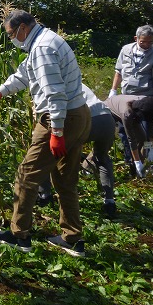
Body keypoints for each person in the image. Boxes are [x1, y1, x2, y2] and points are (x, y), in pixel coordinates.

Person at [0, 9, 91, 258]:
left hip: (60, 118)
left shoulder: (42, 48)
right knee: (65, 180)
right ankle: (72, 238)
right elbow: (23, 75)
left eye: (11, 34)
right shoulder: (45, 41)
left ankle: (19, 235)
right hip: (78, 114)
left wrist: (57, 132)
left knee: (26, 175)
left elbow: (54, 94)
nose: (11, 39)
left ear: (22, 28)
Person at [37, 84, 118, 218]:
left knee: (49, 153)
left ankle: (45, 195)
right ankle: (109, 201)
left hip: (88, 120)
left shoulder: (54, 85)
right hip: (107, 119)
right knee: (102, 158)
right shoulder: (76, 82)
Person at [109, 25, 153, 165]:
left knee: (147, 131)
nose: (146, 45)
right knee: (125, 129)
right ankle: (130, 159)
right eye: (143, 42)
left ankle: (148, 157)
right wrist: (113, 90)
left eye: (150, 42)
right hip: (126, 96)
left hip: (145, 99)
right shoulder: (126, 50)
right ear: (136, 38)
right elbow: (119, 71)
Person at [104, 94, 153, 179]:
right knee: (104, 143)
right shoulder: (127, 114)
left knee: (143, 138)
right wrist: (137, 162)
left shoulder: (150, 105)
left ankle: (142, 166)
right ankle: (87, 168)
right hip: (108, 112)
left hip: (133, 112)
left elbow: (151, 130)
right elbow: (131, 139)